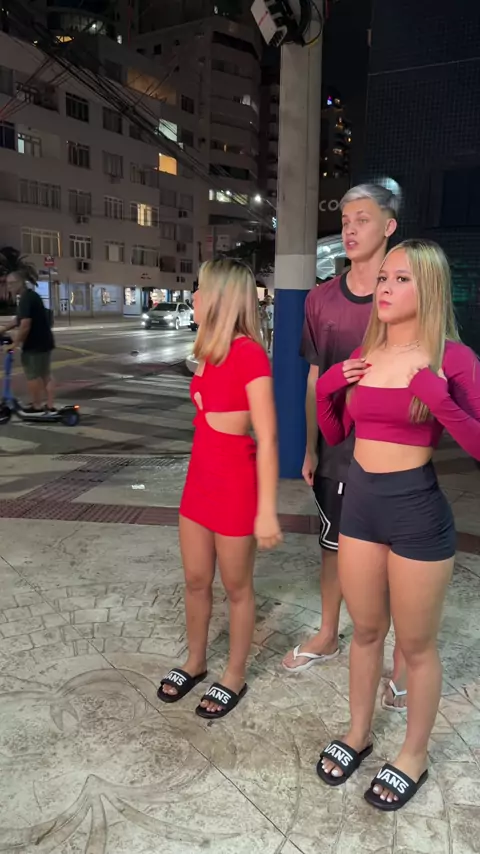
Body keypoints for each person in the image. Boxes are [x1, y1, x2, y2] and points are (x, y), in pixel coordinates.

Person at [316, 239, 480, 810]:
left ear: (428, 287)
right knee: (365, 630)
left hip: (416, 513)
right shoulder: (369, 351)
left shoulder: (452, 358)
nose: (384, 288)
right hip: (360, 506)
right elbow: (336, 433)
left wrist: (440, 399)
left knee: (415, 645)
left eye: (401, 279)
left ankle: (414, 754)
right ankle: (357, 733)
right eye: (383, 277)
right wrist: (327, 389)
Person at [282, 184, 407, 712]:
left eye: (363, 219)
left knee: (396, 559)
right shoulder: (320, 299)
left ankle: (402, 661)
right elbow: (315, 378)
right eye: (345, 220)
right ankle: (329, 633)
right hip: (336, 453)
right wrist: (310, 448)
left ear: (389, 227)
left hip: (392, 453)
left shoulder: (404, 294)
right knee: (332, 548)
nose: (350, 229)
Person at [157, 259, 282, 719]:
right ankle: (195, 661)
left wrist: (266, 510)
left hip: (235, 486)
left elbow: (268, 436)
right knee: (195, 580)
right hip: (199, 481)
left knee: (237, 587)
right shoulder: (209, 350)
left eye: (200, 288)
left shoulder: (250, 354)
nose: (193, 296)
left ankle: (234, 674)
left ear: (221, 298)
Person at [0, 279, 55, 413]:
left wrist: (15, 344)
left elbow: (25, 325)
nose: (9, 287)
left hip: (35, 345)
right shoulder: (31, 296)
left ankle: (37, 406)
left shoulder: (26, 298)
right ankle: (50, 405)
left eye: (11, 283)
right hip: (44, 341)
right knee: (45, 374)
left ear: (20, 283)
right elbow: (19, 319)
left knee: (32, 376)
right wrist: (4, 329)